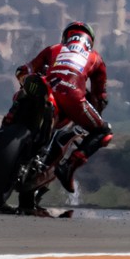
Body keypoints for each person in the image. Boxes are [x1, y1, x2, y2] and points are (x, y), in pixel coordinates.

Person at [12, 20, 113, 194]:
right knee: (104, 131)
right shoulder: (95, 58)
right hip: (73, 98)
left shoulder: (54, 49)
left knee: (22, 96)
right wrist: (97, 109)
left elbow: (24, 69)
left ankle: (8, 123)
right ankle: (68, 167)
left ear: (66, 37)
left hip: (46, 89)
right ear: (89, 41)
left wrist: (23, 79)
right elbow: (100, 96)